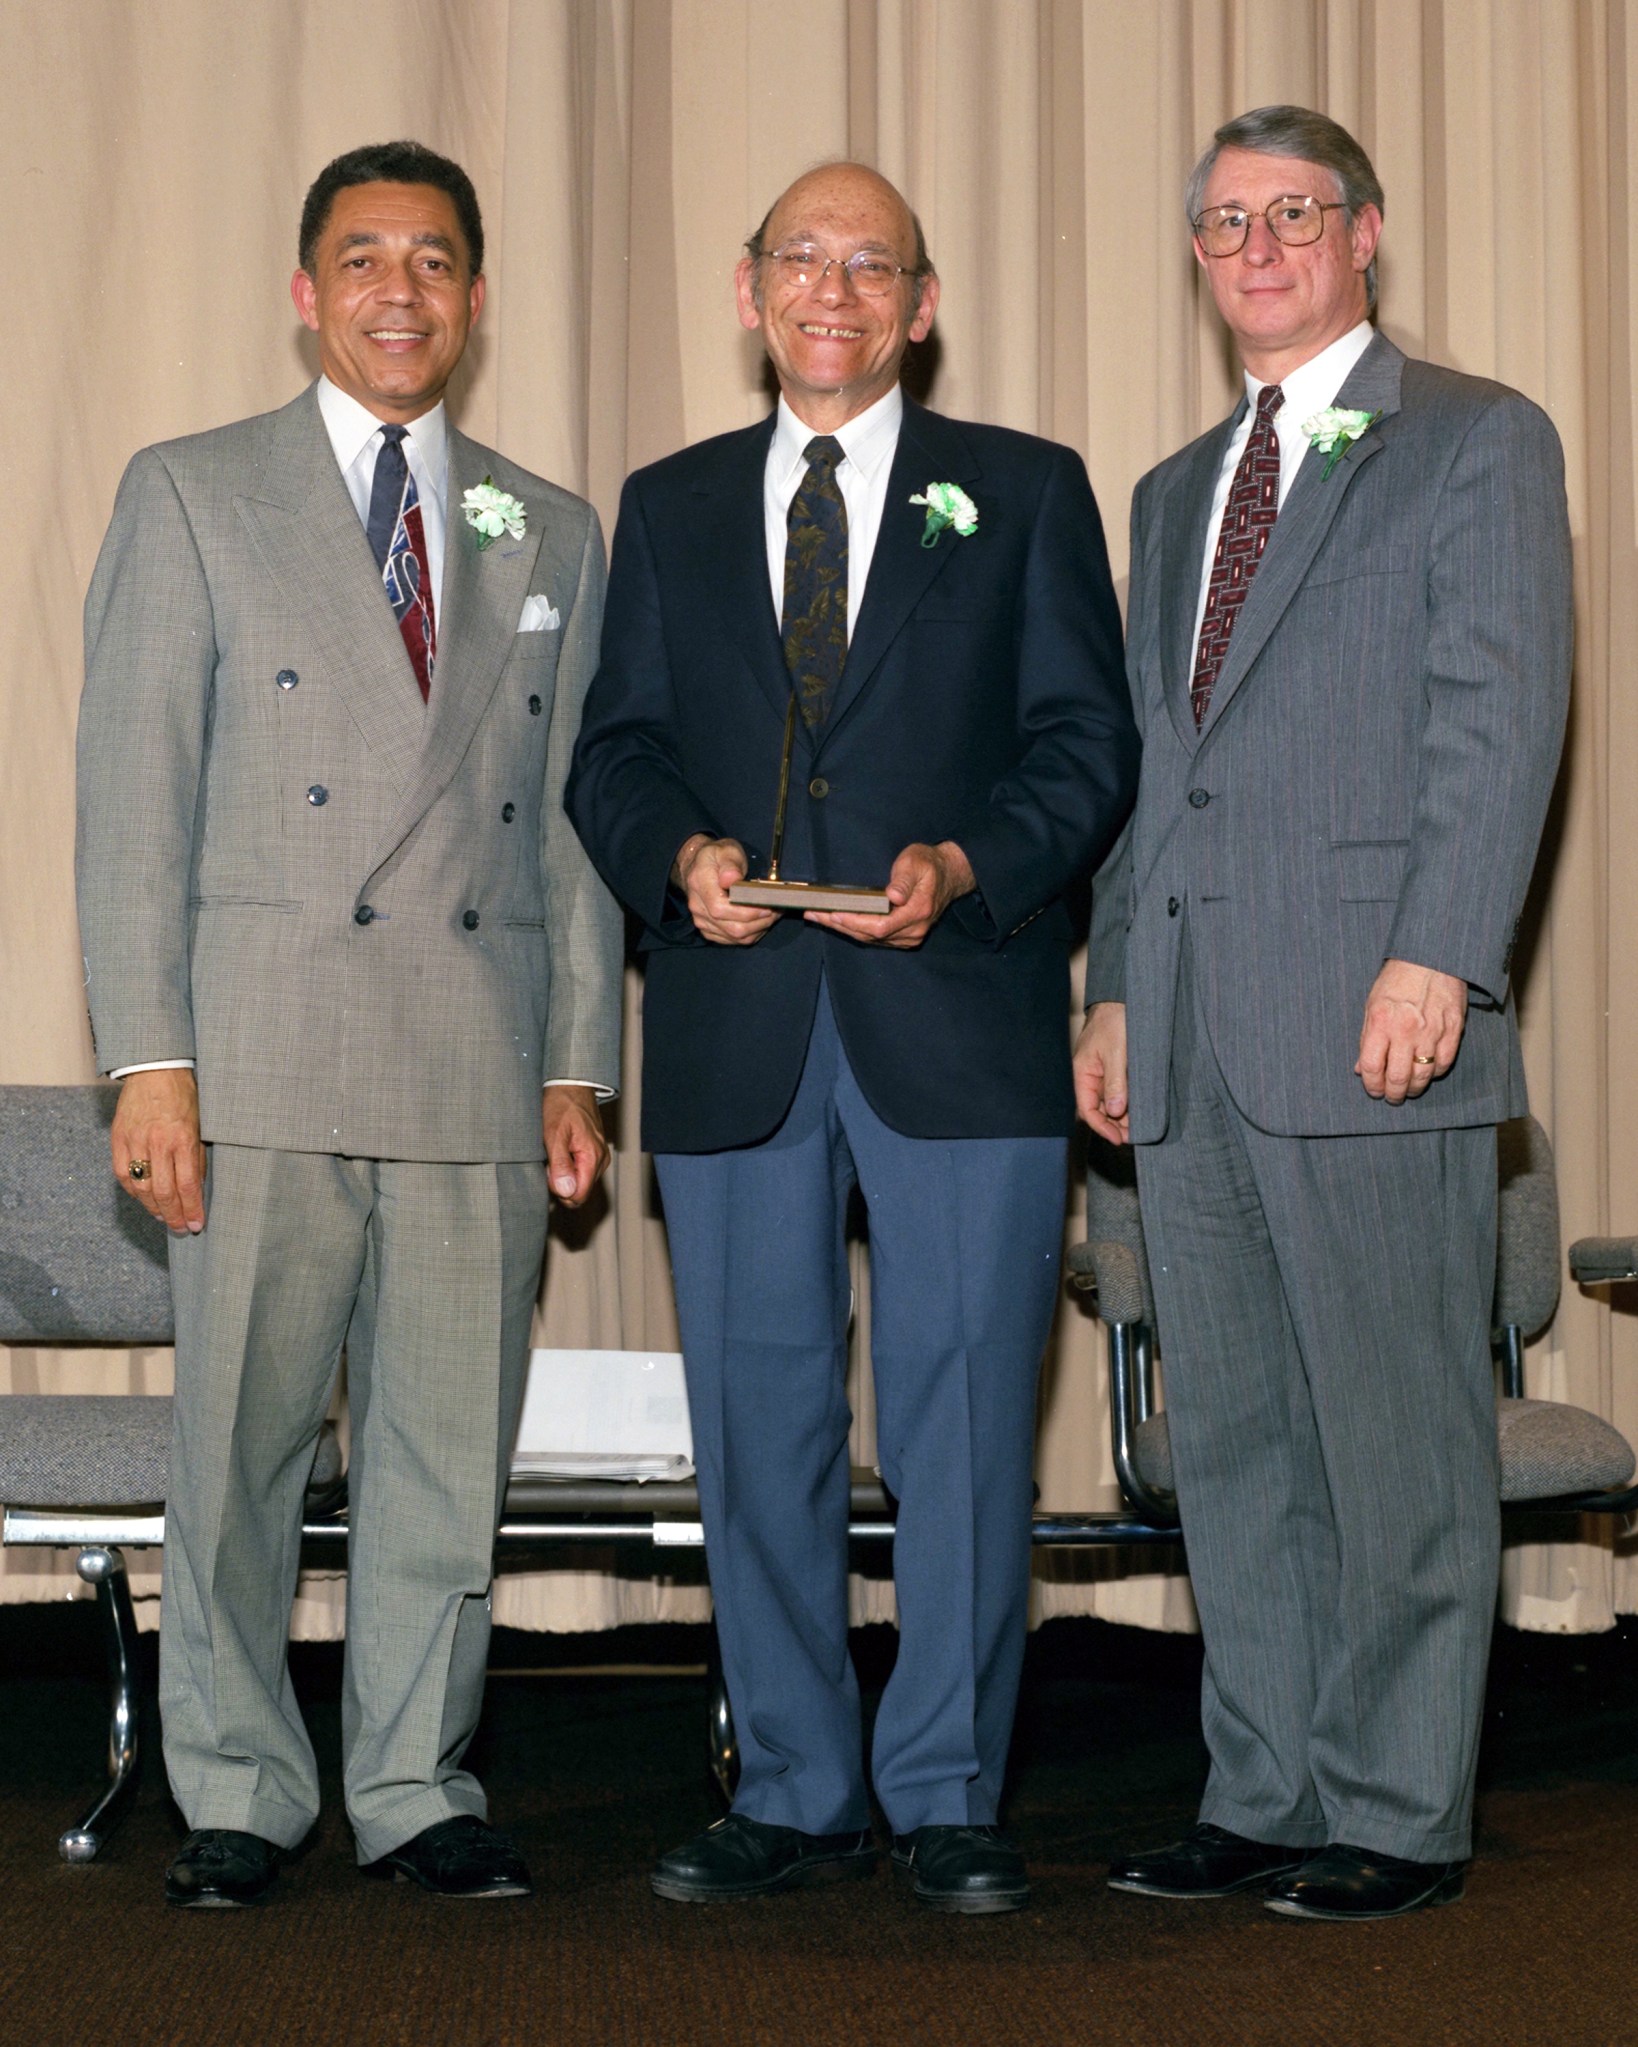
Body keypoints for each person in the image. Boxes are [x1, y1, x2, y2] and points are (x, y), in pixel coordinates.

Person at [567, 160, 1136, 1914]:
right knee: (758, 1422)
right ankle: (797, 1781)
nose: (834, 289)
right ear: (747, 294)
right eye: (800, 260)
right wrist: (676, 859)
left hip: (959, 1021)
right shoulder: (660, 509)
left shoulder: (1024, 493)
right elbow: (614, 752)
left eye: (868, 264)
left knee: (966, 1424)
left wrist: (970, 866)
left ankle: (948, 1786)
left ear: (922, 301)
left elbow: (1085, 748)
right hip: (739, 1024)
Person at [75, 140, 622, 1908]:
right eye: (364, 259)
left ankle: (413, 1779)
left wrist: (573, 1057)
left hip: (473, 1055)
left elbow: (568, 820)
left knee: (442, 1456)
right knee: (235, 1446)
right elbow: (130, 805)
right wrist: (146, 1057)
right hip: (256, 1051)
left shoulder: (542, 523)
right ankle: (233, 1782)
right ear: (307, 293)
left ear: (472, 298)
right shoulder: (191, 492)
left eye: (437, 260)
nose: (402, 290)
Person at [1076, 105, 1571, 1921]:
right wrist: (1116, 990)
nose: (1259, 245)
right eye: (1225, 223)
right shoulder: (1170, 490)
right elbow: (1154, 775)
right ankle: (1263, 1790)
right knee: (1239, 1450)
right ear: (1198, 259)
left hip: (1379, 1014)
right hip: (1194, 1035)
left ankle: (1392, 1810)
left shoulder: (1471, 438)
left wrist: (1439, 952)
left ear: (1364, 233)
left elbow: (1496, 716)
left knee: (1395, 1446)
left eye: (1294, 213)